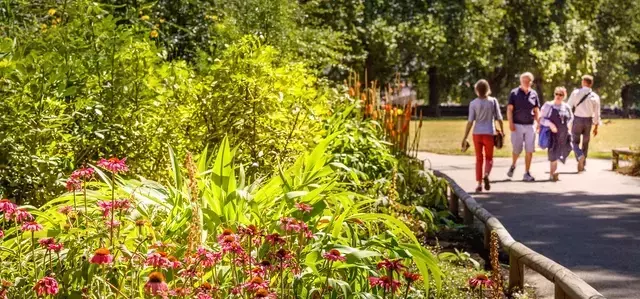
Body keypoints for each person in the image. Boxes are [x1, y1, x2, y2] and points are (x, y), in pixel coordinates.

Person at [462, 79, 504, 192]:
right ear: (488, 89)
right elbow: (499, 118)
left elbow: (470, 121)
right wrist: (502, 131)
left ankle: (479, 183)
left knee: (479, 158)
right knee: (489, 158)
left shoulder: (473, 103)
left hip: (477, 133)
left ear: (476, 90)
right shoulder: (493, 101)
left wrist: (465, 137)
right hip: (489, 133)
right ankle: (486, 174)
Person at [507, 72, 540, 181]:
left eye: (528, 81)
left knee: (529, 149)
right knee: (517, 149)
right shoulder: (514, 93)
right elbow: (509, 109)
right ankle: (513, 165)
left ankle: (527, 173)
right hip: (517, 125)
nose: (526, 83)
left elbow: (536, 110)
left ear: (531, 82)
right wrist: (510, 122)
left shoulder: (534, 94)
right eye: (524, 81)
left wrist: (538, 122)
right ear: (520, 81)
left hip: (530, 125)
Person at [567, 75, 601, 172]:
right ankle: (583, 164)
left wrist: (569, 120)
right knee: (585, 143)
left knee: (574, 141)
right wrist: (596, 127)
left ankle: (579, 156)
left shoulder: (576, 92)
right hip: (588, 121)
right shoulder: (595, 96)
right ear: (591, 83)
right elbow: (597, 114)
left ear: (583, 82)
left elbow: (568, 107)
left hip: (577, 119)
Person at [540, 87, 574, 181]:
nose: (558, 96)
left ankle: (554, 172)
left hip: (564, 134)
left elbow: (571, 117)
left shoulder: (566, 106)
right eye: (557, 94)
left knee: (562, 152)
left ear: (564, 96)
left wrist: (568, 125)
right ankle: (552, 174)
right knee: (553, 154)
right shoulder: (548, 105)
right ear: (554, 94)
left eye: (561, 94)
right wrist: (550, 124)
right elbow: (541, 119)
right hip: (552, 134)